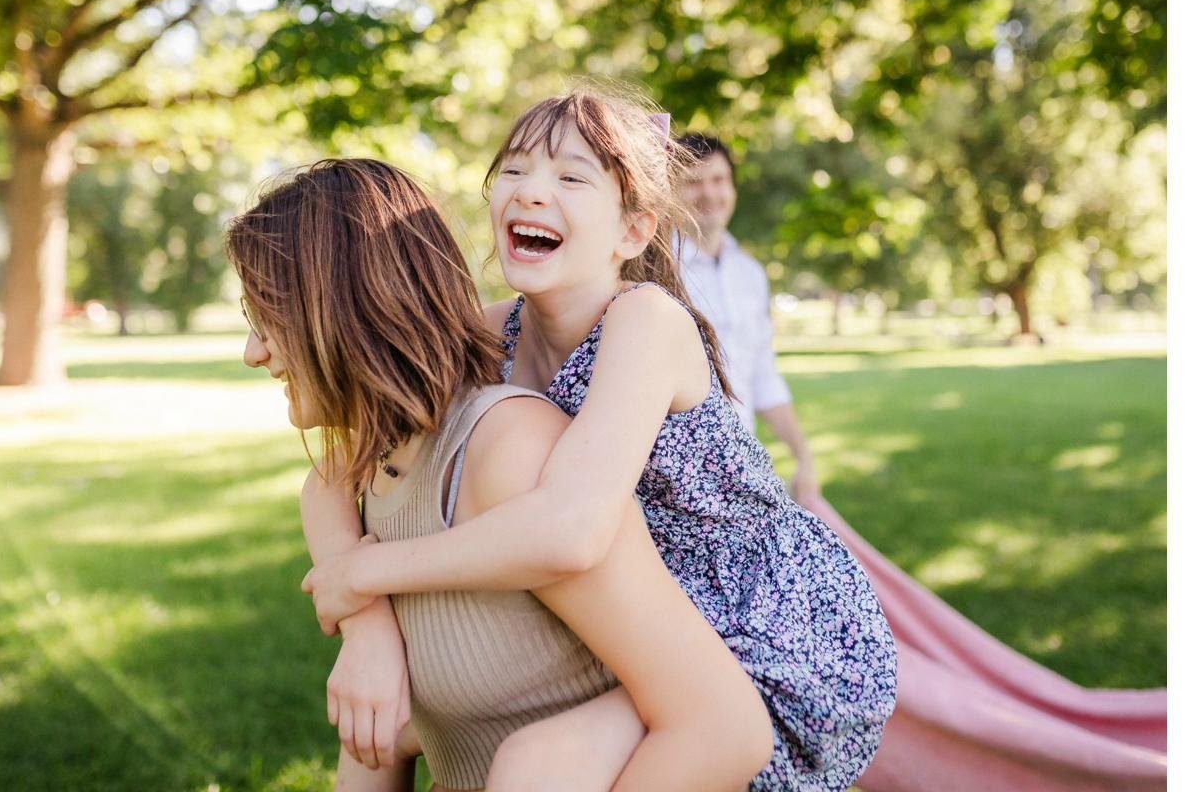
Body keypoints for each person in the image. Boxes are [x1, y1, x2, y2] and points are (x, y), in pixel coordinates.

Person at [301, 87, 898, 791]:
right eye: (514, 170)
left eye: (571, 177)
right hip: (635, 624)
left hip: (765, 629)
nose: (531, 191)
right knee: (416, 727)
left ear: (633, 232)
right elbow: (337, 467)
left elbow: (572, 530)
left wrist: (365, 573)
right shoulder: (493, 335)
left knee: (539, 765)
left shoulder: (646, 321)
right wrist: (367, 625)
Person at [227, 158, 772, 792]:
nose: (253, 352)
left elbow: (724, 725)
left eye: (269, 318)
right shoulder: (370, 474)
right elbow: (324, 484)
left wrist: (362, 577)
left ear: (347, 306)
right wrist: (366, 626)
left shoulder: (514, 455)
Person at [674, 132, 821, 504]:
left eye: (719, 179)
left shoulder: (750, 274)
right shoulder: (655, 270)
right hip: (678, 477)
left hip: (744, 468)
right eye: (693, 182)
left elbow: (763, 374)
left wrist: (803, 457)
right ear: (670, 191)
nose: (709, 193)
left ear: (733, 188)